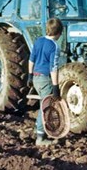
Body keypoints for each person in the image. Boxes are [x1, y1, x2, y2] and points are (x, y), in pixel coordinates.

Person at [27, 18, 63, 146]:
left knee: (43, 104)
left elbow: (31, 59)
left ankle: (40, 131)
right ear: (60, 33)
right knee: (45, 107)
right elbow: (53, 67)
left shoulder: (38, 41)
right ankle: (40, 137)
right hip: (45, 79)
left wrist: (30, 76)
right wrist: (55, 86)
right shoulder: (54, 46)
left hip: (36, 77)